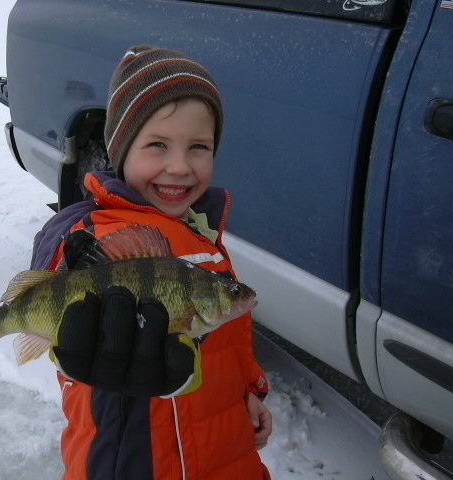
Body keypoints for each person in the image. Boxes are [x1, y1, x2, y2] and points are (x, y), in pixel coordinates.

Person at [30, 45, 272, 480]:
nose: (179, 167)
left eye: (198, 147)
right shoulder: (103, 235)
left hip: (226, 447)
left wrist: (247, 392)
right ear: (121, 151)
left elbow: (226, 337)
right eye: (157, 145)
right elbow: (79, 341)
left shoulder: (202, 231)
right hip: (139, 460)